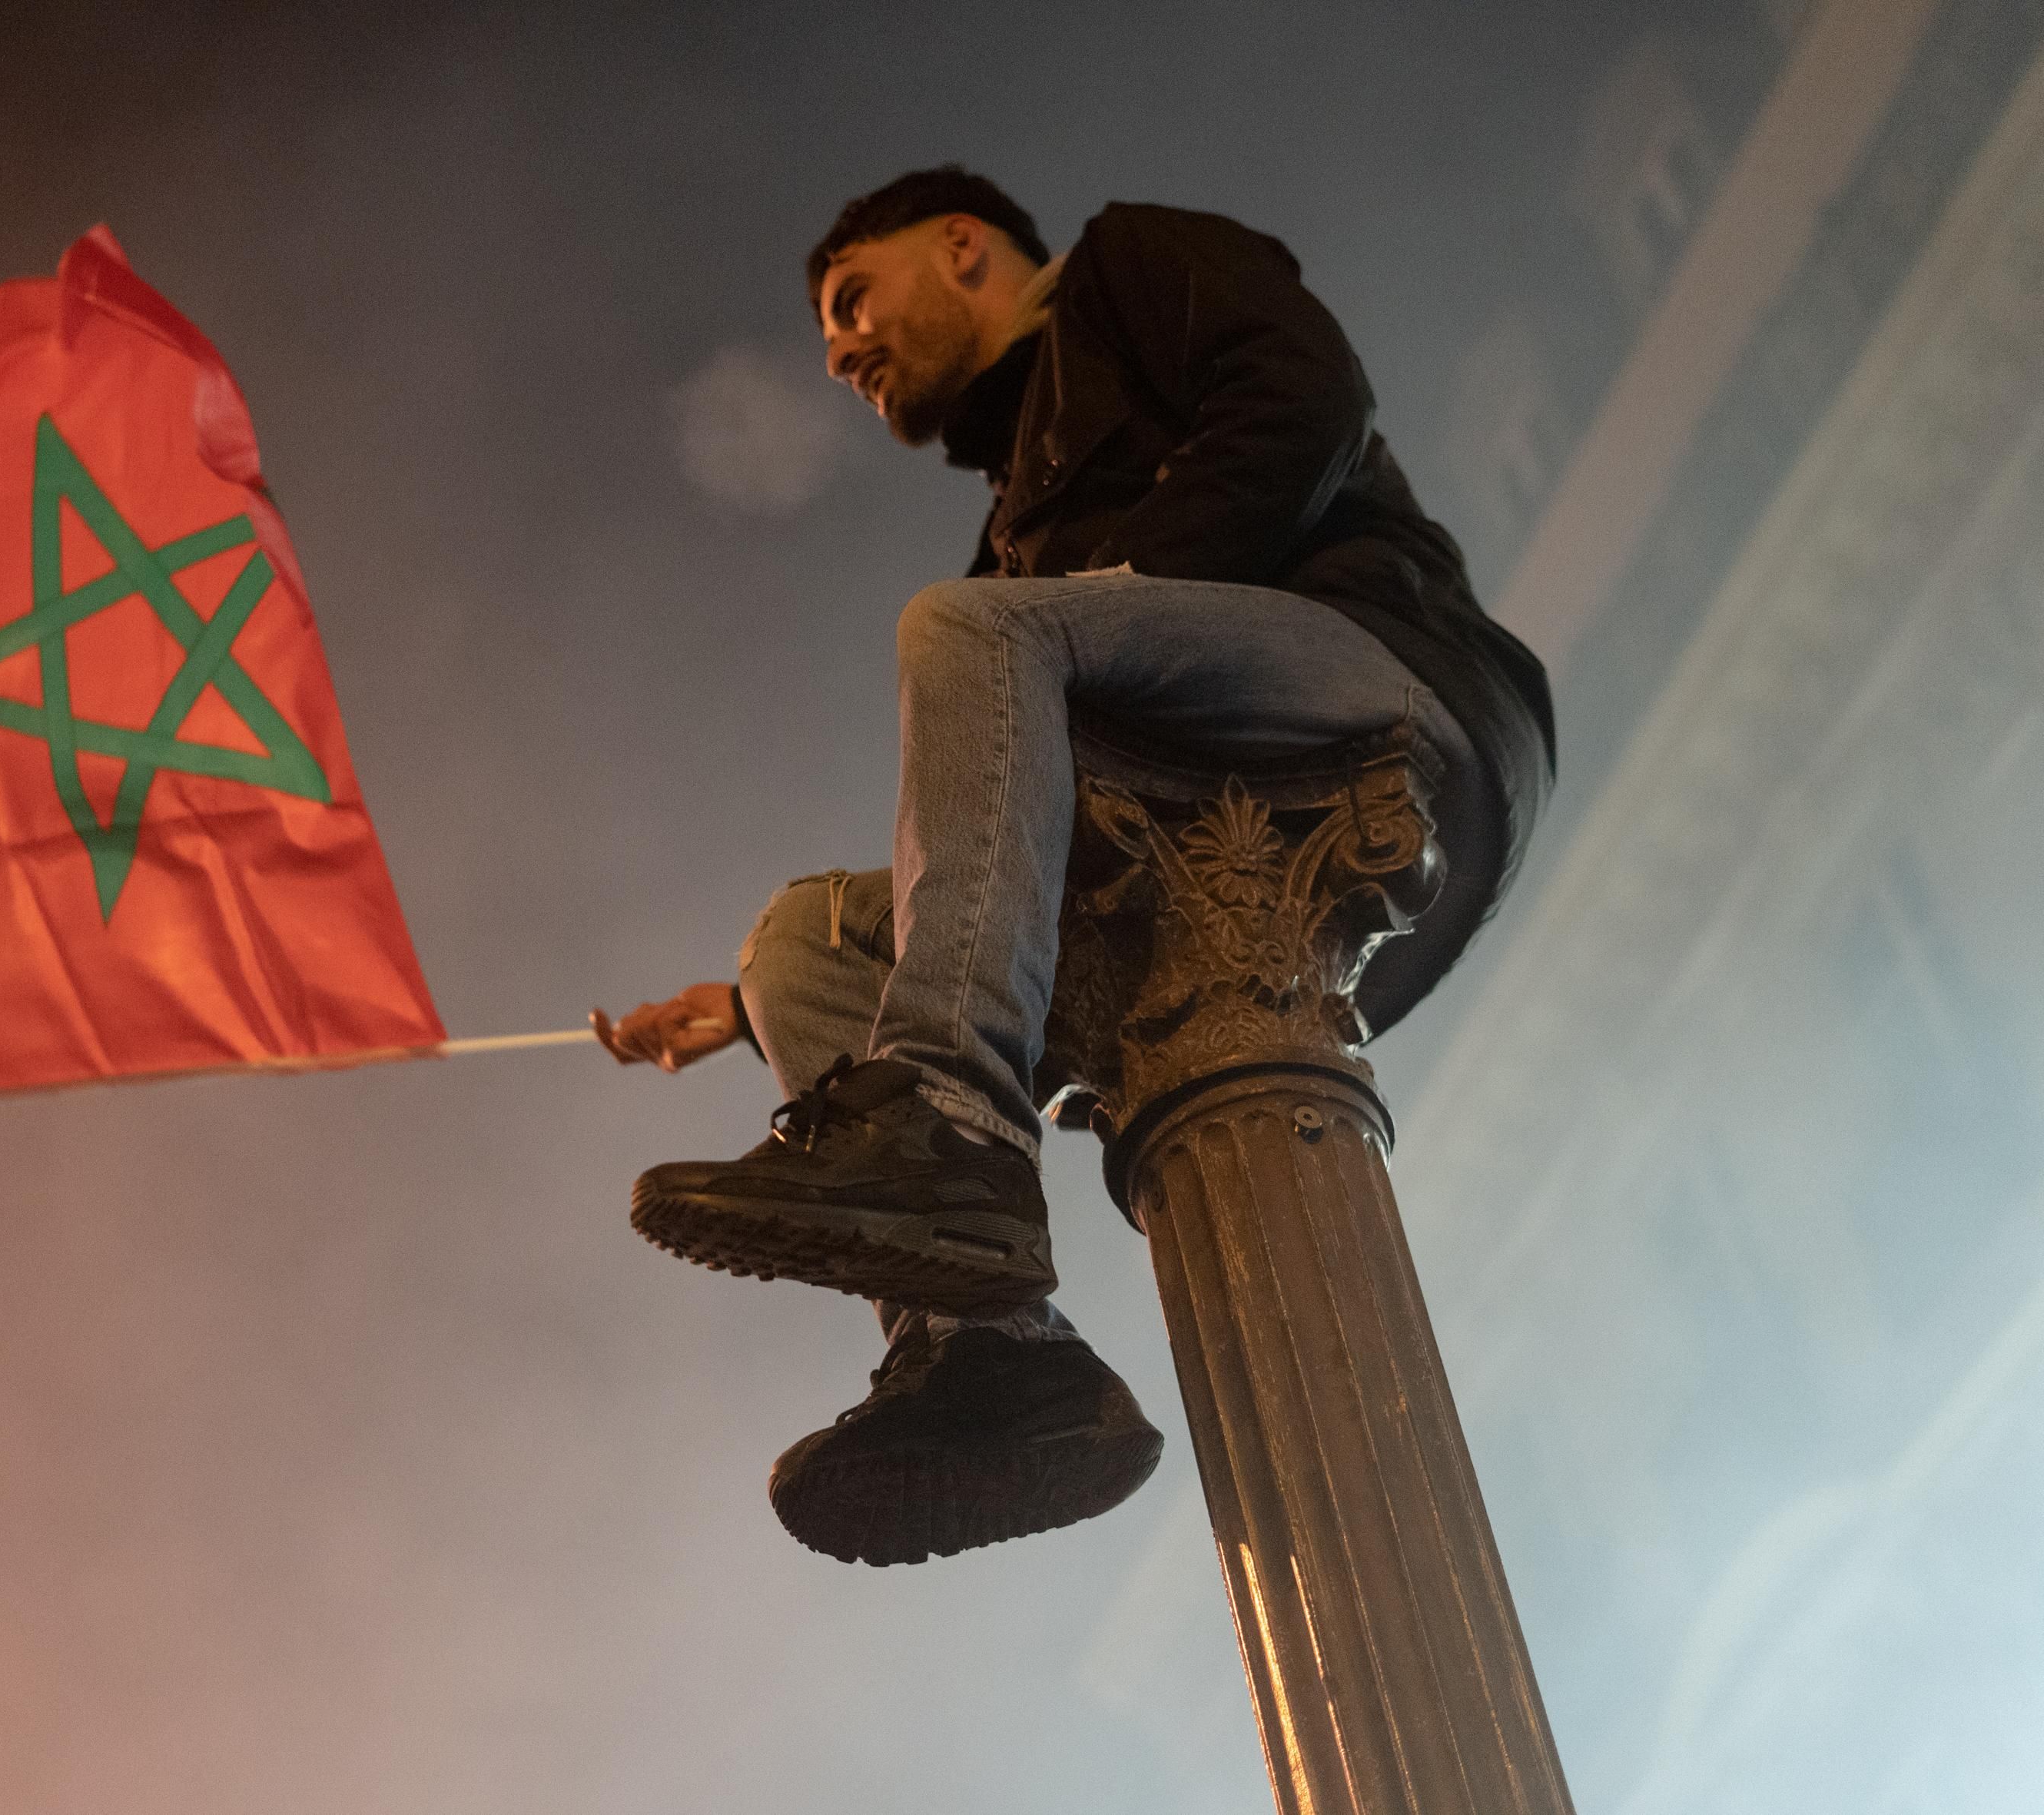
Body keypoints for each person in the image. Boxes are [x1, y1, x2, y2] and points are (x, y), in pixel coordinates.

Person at [596, 167, 1555, 1567]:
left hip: (1389, 688)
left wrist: (1101, 618)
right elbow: (996, 824)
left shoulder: (1130, 266)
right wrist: (757, 1011)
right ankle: (994, 1361)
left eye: (854, 300)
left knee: (968, 631)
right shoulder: (1015, 528)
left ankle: (949, 1125)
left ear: (964, 247)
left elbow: (1306, 399)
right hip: (1190, 778)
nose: (842, 349)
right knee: (799, 940)